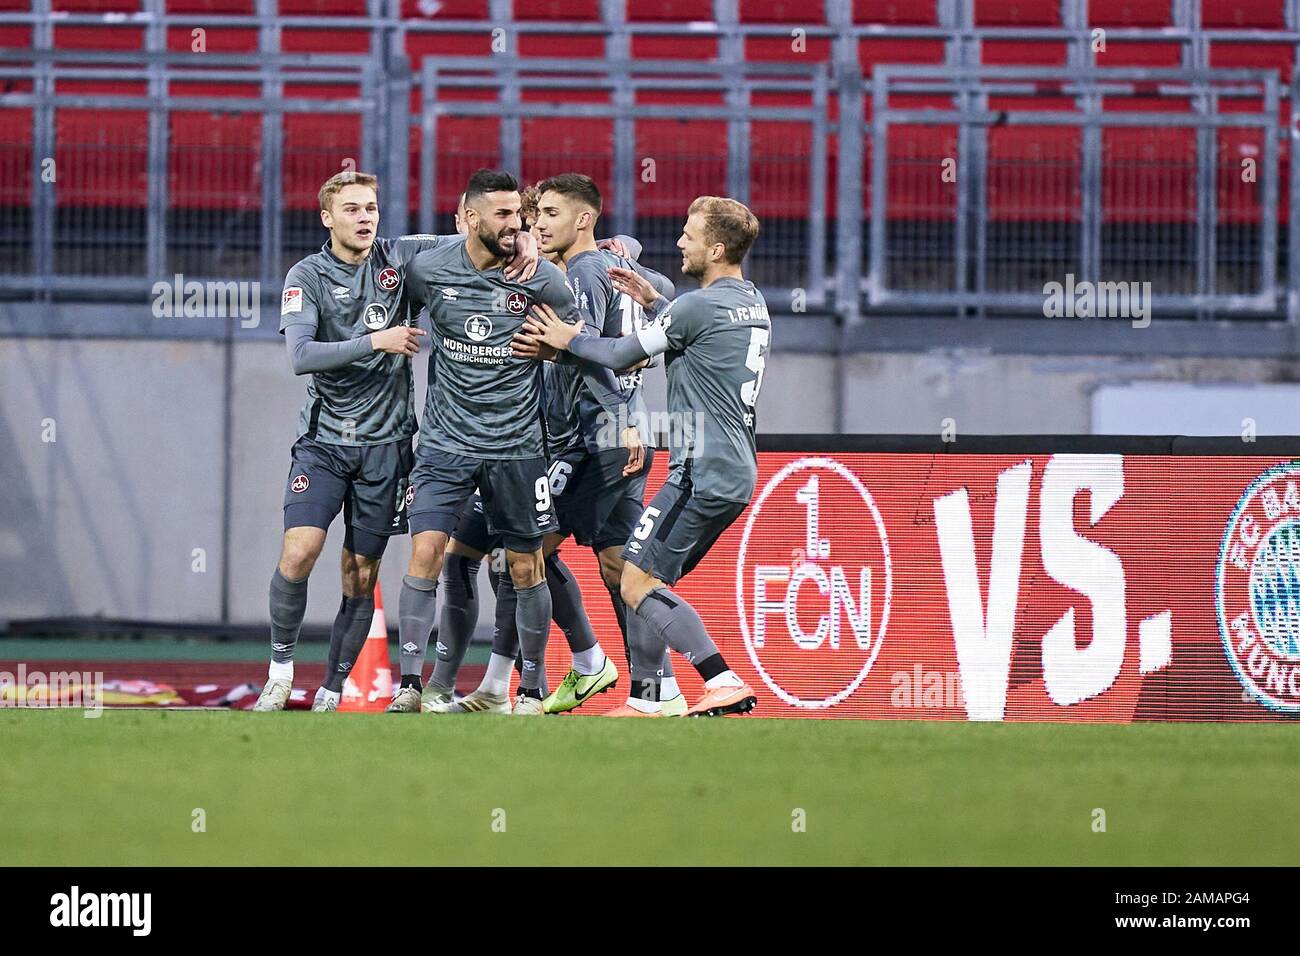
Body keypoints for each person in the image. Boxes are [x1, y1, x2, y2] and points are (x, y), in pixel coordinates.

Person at [514, 196, 769, 717]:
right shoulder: (751, 301)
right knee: (642, 571)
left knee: (637, 579)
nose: (680, 242)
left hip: (701, 468)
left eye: (690, 235)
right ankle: (652, 697)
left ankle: (720, 678)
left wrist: (568, 338)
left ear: (716, 248)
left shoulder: (696, 305)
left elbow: (618, 354)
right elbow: (699, 337)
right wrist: (655, 301)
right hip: (737, 468)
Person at [395, 168, 631, 716]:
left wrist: (621, 411)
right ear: (470, 218)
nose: (517, 224)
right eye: (503, 214)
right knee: (429, 552)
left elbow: (582, 345)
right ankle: (412, 684)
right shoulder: (428, 268)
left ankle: (528, 689)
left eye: (520, 216)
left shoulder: (542, 278)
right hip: (445, 445)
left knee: (525, 567)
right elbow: (372, 252)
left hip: (519, 448)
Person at [528, 173, 684, 714]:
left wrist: (618, 417)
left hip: (596, 438)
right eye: (536, 214)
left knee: (523, 551)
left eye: (550, 213)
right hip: (624, 434)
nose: (537, 223)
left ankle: (583, 665)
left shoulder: (585, 272)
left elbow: (587, 348)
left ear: (583, 219)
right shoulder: (614, 264)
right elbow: (665, 292)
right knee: (621, 568)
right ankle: (658, 690)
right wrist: (631, 253)